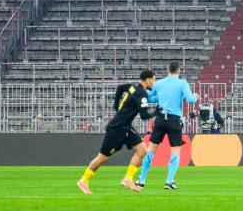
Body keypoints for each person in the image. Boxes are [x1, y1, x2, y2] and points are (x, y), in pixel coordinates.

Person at [76, 70, 158, 195]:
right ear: (147, 80)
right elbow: (144, 116)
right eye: (153, 80)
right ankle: (83, 181)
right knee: (102, 157)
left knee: (142, 151)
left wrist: (116, 105)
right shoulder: (142, 93)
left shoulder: (132, 87)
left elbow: (120, 88)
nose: (154, 83)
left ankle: (128, 179)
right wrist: (157, 112)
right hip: (117, 128)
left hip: (126, 127)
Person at [137, 61, 199, 190]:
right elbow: (190, 99)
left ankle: (142, 180)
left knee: (151, 149)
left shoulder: (159, 84)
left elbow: (149, 98)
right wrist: (196, 96)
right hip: (174, 120)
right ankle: (169, 181)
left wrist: (160, 98)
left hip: (160, 118)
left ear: (167, 70)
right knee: (175, 150)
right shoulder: (182, 83)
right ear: (179, 70)